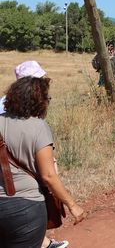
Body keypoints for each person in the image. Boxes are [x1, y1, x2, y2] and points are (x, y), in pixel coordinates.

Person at [0, 74, 87, 248]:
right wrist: (72, 205)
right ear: (39, 101)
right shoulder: (38, 127)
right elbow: (48, 176)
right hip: (26, 208)